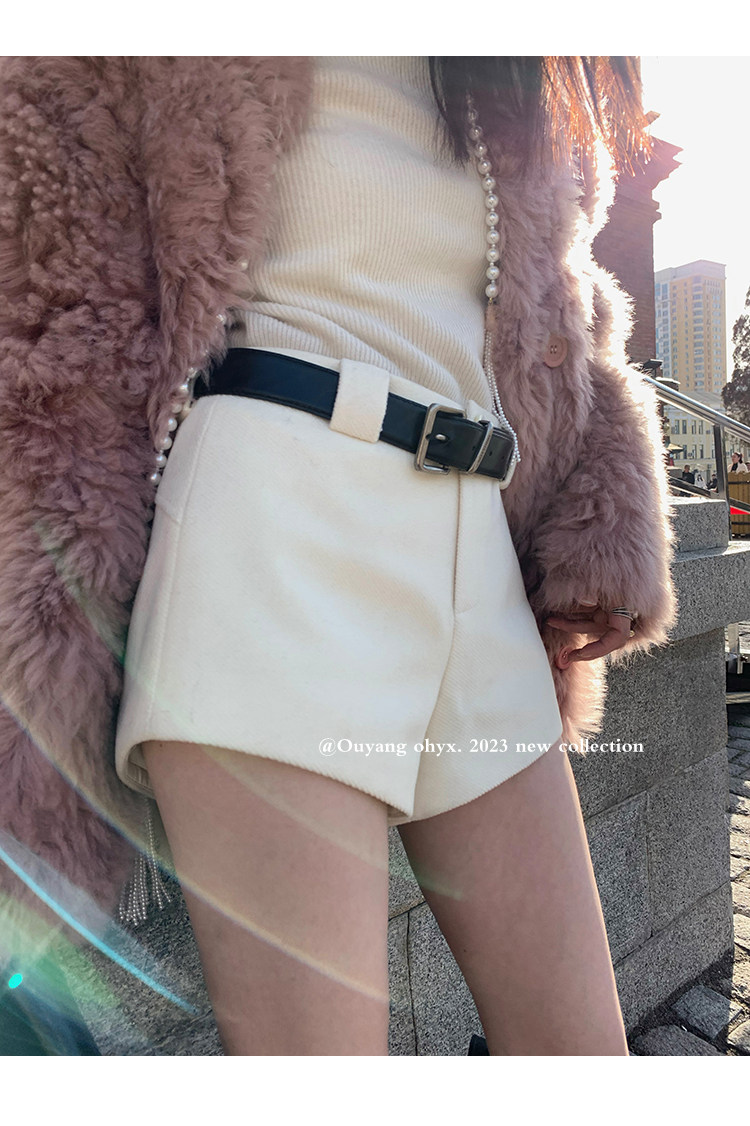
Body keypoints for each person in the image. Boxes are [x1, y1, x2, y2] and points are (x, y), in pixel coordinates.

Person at [0, 57, 677, 1056]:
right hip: (274, 526)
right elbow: (51, 313)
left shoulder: (502, 64)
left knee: (584, 1061)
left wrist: (599, 510)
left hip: (476, 549)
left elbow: (561, 307)